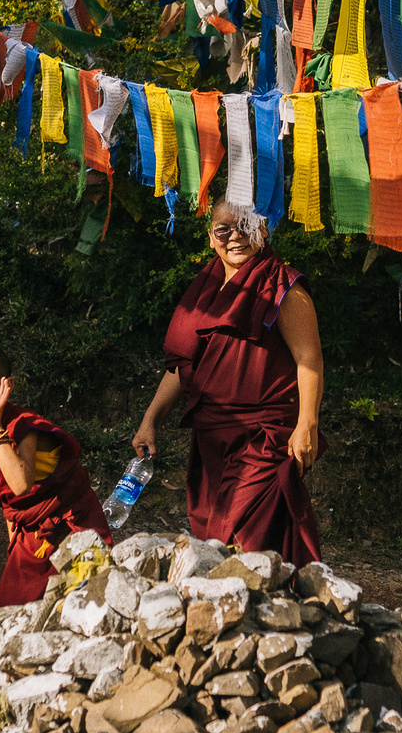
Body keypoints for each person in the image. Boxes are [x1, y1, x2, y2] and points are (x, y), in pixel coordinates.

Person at [132, 201, 326, 566]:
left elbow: (309, 359)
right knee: (216, 542)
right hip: (212, 438)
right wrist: (150, 420)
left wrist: (307, 424)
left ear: (264, 231)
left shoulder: (282, 286)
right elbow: (183, 366)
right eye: (224, 229)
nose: (235, 236)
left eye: (246, 226)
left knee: (246, 536)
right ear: (210, 238)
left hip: (263, 437)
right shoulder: (205, 290)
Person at [0, 344, 110, 608]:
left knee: (79, 612)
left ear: (6, 385)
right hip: (29, 543)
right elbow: (9, 505)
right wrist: (14, 548)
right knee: (8, 613)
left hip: (72, 531)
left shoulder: (25, 427)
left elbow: (20, 485)